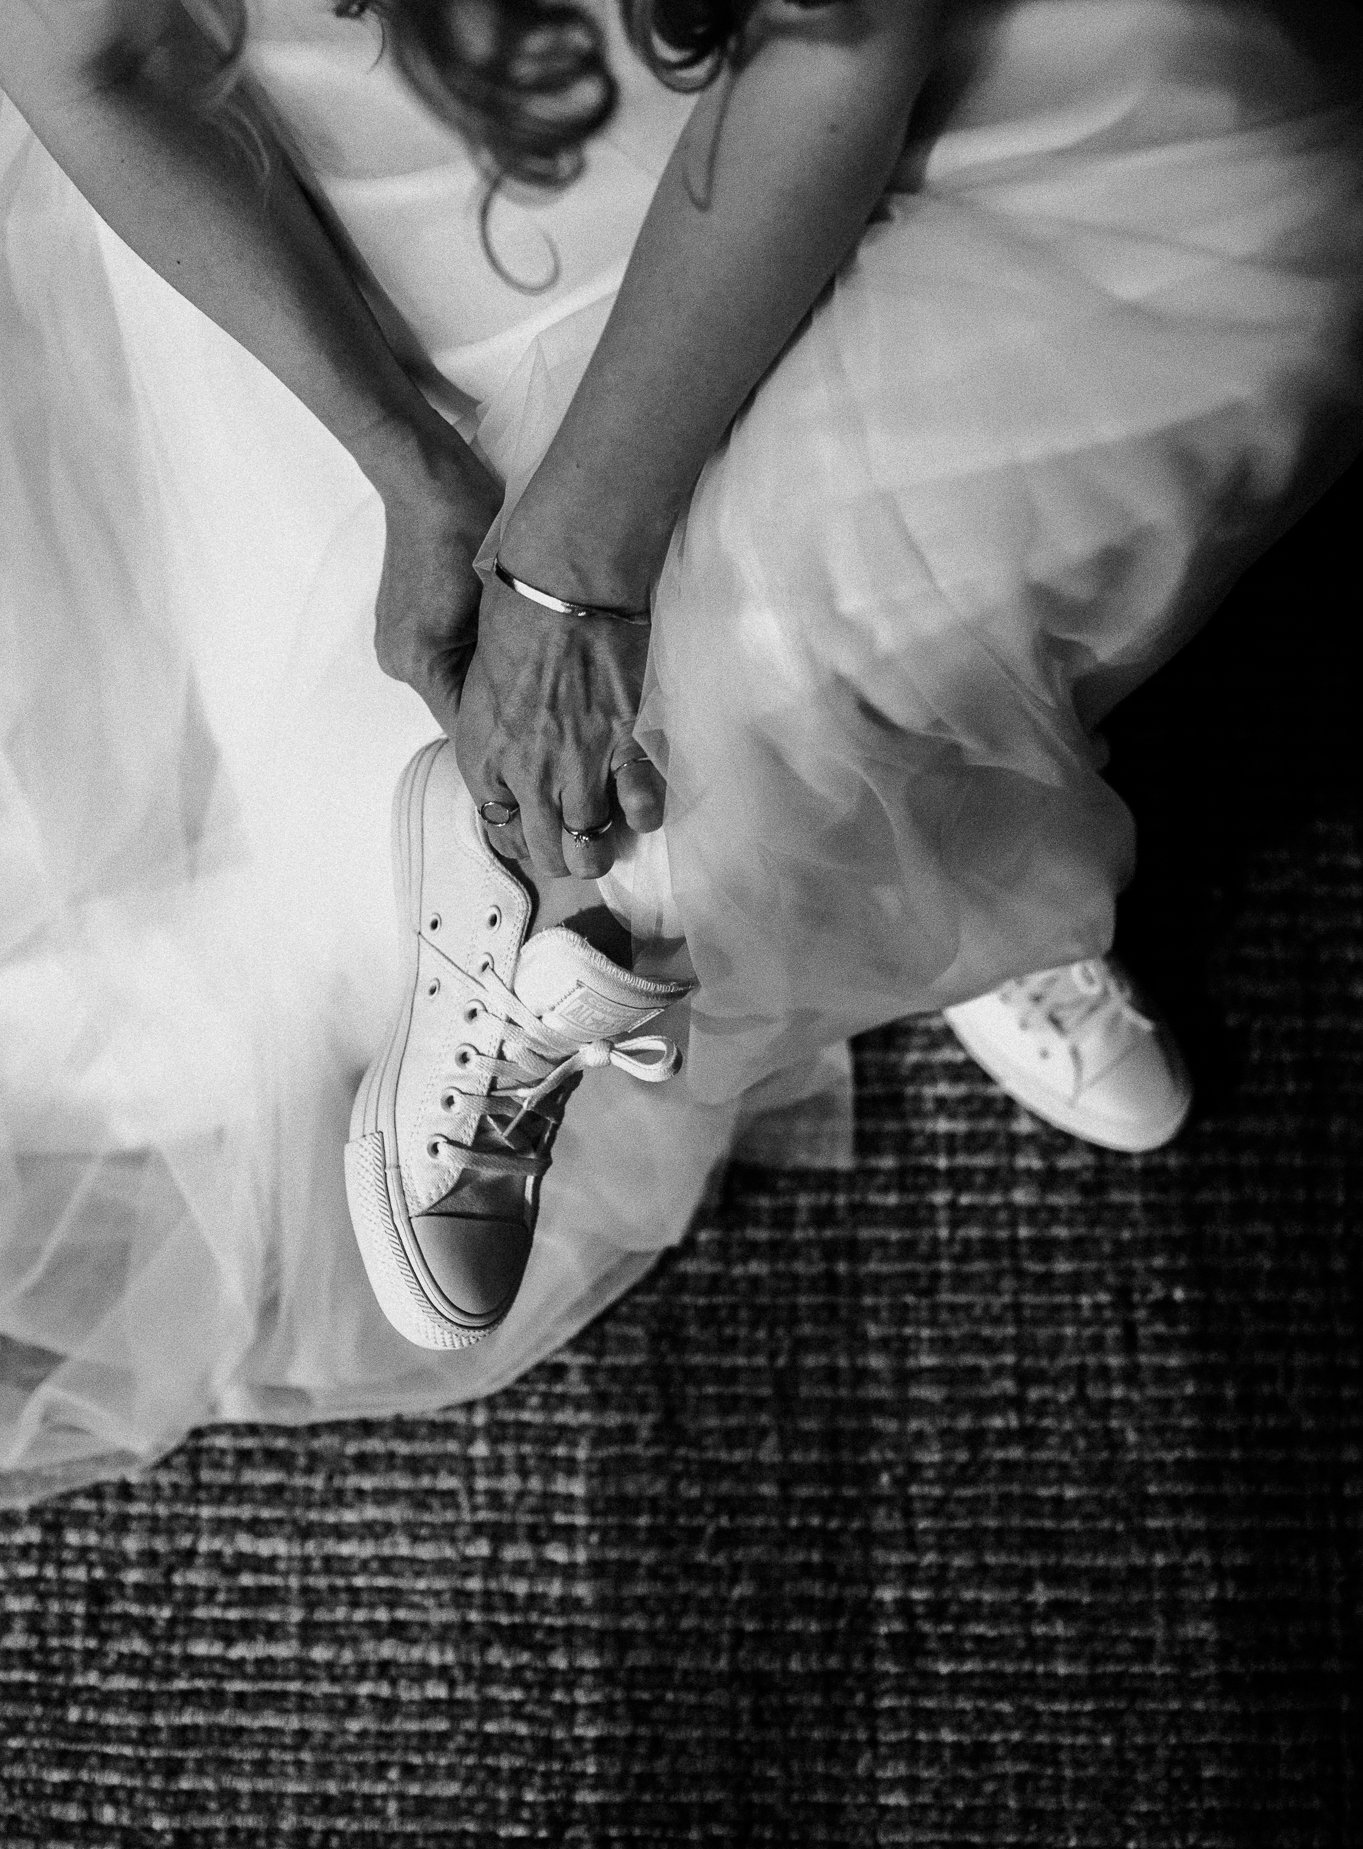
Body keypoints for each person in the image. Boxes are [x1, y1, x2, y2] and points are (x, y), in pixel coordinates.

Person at [2, 1, 1361, 1495]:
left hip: (852, 90)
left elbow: (840, 38)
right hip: (418, 255)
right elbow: (85, 62)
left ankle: (926, 845)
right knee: (739, 721)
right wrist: (406, 463)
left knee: (1267, 239)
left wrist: (570, 572)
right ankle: (879, 846)